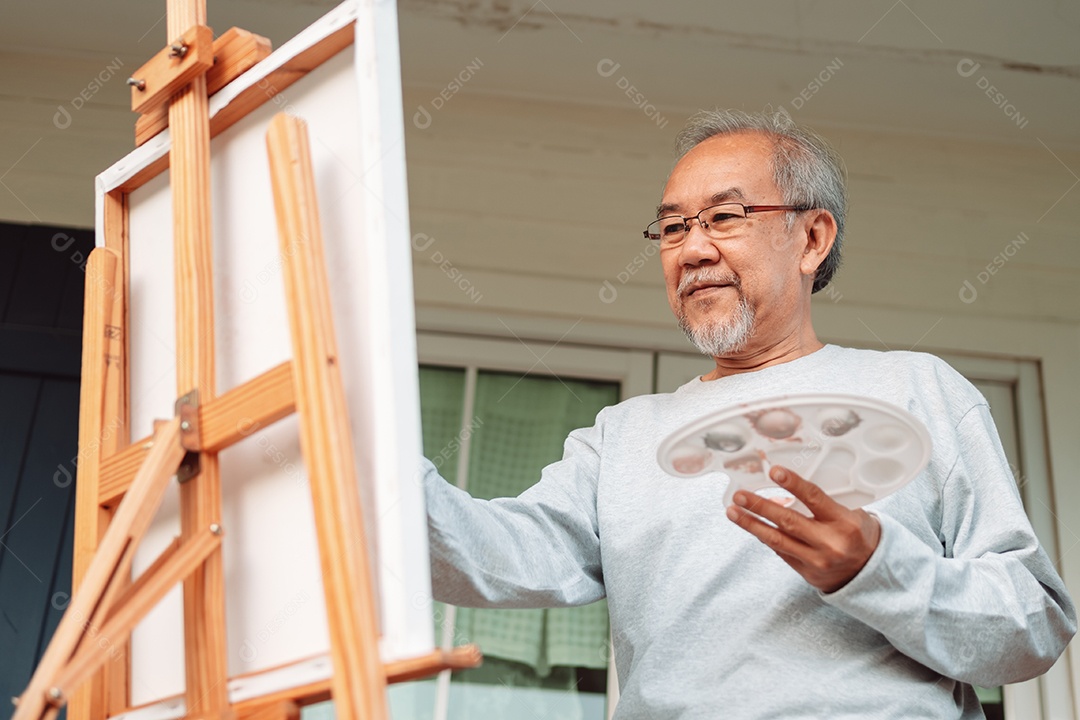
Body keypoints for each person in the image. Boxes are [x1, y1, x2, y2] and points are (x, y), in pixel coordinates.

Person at [420, 109, 1076, 718]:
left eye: (725, 217)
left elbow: (1031, 628)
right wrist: (360, 444)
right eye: (673, 227)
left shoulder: (917, 390)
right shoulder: (620, 440)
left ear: (812, 239)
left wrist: (878, 568)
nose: (692, 250)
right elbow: (482, 557)